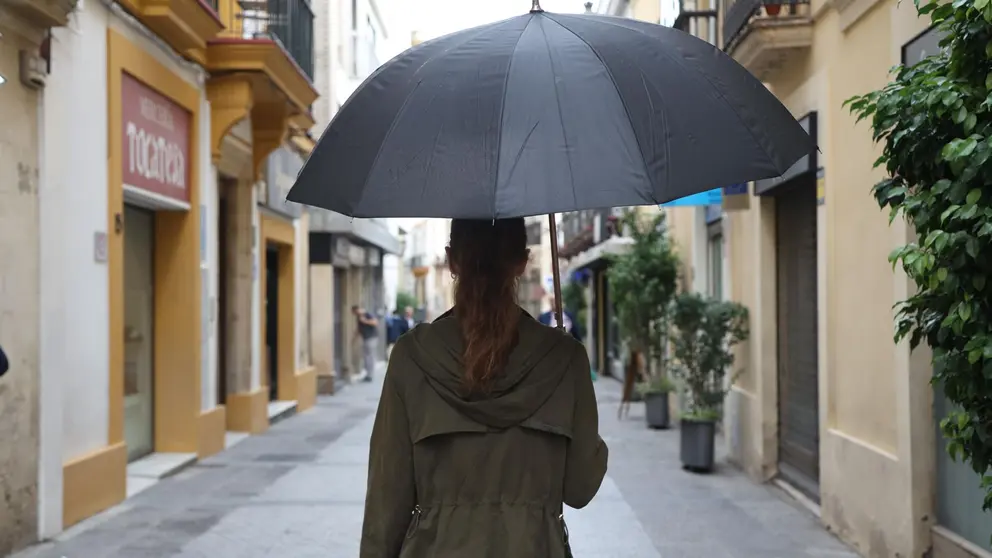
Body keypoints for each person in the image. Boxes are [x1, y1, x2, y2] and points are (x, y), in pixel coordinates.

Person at [361, 218, 608, 557]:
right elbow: (580, 488)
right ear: (523, 260)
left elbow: (386, 502)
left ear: (452, 260)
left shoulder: (411, 357)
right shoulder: (566, 357)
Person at [352, 305, 379, 383]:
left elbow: (375, 322)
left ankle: (370, 375)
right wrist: (354, 338)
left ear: (357, 310)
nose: (355, 314)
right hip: (366, 338)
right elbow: (358, 329)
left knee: (369, 356)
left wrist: (365, 321)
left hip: (371, 338)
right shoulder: (358, 317)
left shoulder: (367, 314)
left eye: (355, 312)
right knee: (366, 356)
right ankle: (368, 374)